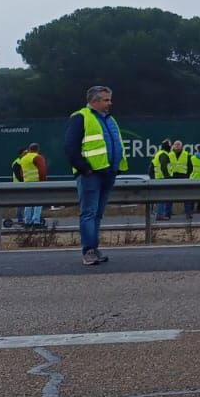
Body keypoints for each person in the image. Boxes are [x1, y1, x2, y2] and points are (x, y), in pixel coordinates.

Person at [62, 85, 127, 266]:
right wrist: (84, 168)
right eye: (106, 100)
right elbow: (70, 147)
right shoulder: (81, 117)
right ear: (95, 101)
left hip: (108, 172)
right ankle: (88, 250)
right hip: (91, 174)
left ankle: (94, 248)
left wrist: (117, 167)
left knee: (97, 213)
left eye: (109, 99)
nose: (110, 103)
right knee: (89, 213)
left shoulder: (109, 120)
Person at [19, 143, 46, 227]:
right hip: (37, 183)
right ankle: (36, 221)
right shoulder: (38, 157)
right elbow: (42, 171)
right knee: (38, 203)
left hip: (26, 183)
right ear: (38, 149)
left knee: (28, 203)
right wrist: (43, 182)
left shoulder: (23, 158)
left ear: (29, 149)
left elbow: (21, 174)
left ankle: (27, 221)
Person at [151, 140, 174, 220]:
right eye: (170, 145)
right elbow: (164, 166)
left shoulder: (158, 153)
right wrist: (167, 176)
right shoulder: (163, 154)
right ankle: (160, 215)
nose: (171, 147)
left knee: (160, 198)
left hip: (159, 177)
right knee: (162, 198)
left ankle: (160, 214)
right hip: (162, 178)